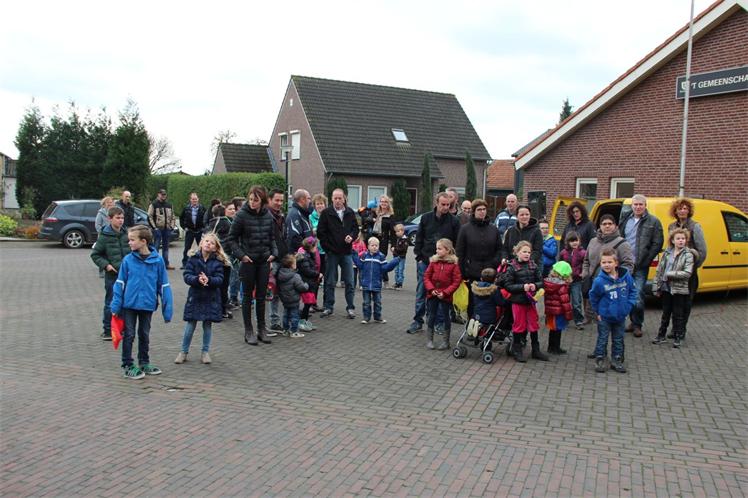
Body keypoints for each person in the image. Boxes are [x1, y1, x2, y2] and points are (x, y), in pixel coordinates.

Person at [110, 225, 173, 379]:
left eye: (132, 240)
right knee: (129, 334)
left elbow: (164, 286)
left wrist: (167, 310)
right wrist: (115, 305)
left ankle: (144, 362)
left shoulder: (158, 261)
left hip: (147, 305)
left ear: (143, 241)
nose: (129, 243)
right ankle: (127, 364)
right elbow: (120, 284)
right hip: (129, 305)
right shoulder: (127, 260)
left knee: (144, 334)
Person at [227, 185, 278, 346]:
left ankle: (261, 329)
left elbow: (272, 237)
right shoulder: (241, 215)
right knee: (247, 296)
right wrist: (241, 255)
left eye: (255, 200)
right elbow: (231, 239)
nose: (252, 203)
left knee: (262, 296)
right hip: (248, 261)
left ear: (262, 201)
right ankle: (248, 330)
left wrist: (274, 253)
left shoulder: (268, 215)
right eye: (250, 199)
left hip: (264, 261)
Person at [407, 192, 461, 334]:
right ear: (436, 203)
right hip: (425, 261)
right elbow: (419, 238)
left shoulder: (454, 221)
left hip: (445, 264)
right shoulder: (426, 218)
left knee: (442, 293)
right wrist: (419, 257)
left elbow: (457, 243)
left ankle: (439, 322)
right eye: (443, 204)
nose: (445, 207)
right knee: (421, 291)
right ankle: (418, 321)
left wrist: (453, 260)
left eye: (448, 205)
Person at [174, 234, 226, 365]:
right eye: (206, 241)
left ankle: (205, 352)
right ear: (201, 243)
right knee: (190, 325)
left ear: (215, 248)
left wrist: (209, 280)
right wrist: (197, 279)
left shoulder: (217, 262)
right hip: (195, 296)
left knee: (207, 325)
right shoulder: (193, 259)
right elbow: (187, 275)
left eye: (212, 243)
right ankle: (183, 351)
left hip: (211, 297)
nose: (208, 244)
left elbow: (220, 279)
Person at [619, 194, 664, 337]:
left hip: (641, 265)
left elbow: (658, 243)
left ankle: (638, 324)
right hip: (625, 264)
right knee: (626, 294)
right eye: (635, 204)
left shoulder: (653, 221)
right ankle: (632, 322)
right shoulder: (625, 219)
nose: (638, 207)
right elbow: (619, 238)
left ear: (645, 206)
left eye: (641, 204)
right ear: (632, 205)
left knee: (638, 295)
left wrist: (647, 260)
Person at [589, 249, 637, 374]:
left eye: (609, 262)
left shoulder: (626, 276)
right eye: (603, 262)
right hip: (605, 316)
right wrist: (597, 312)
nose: (606, 265)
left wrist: (628, 306)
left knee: (618, 339)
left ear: (616, 263)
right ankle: (600, 358)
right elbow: (593, 297)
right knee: (603, 338)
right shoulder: (599, 281)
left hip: (620, 316)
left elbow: (633, 291)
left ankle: (617, 359)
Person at [667, 197, 707, 339]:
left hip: (689, 273)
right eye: (680, 208)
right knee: (674, 300)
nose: (682, 211)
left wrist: (692, 266)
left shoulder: (695, 226)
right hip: (674, 270)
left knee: (686, 302)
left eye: (685, 208)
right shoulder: (672, 227)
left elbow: (702, 251)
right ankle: (674, 328)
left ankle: (681, 329)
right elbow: (670, 247)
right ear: (675, 211)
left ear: (689, 211)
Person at [316, 188, 359, 319]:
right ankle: (329, 307)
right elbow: (321, 233)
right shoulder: (326, 213)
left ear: (344, 199)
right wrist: (328, 248)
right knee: (330, 281)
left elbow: (355, 229)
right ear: (332, 199)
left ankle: (350, 307)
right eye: (335, 198)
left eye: (340, 198)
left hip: (346, 253)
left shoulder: (350, 212)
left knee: (350, 281)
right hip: (332, 253)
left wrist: (352, 236)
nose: (338, 201)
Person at [456, 198, 502, 318]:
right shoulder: (465, 229)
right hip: (472, 273)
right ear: (474, 211)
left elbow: (499, 249)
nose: (482, 212)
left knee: (489, 303)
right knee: (472, 304)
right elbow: (460, 252)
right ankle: (471, 325)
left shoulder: (493, 230)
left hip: (490, 273)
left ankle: (487, 326)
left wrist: (494, 263)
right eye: (479, 209)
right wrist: (462, 272)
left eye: (484, 209)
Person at [90, 206, 130, 340]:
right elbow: (95, 255)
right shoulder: (104, 236)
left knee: (125, 303)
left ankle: (123, 329)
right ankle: (108, 330)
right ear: (110, 219)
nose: (121, 220)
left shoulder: (126, 234)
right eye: (118, 218)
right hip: (112, 275)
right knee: (111, 303)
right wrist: (106, 265)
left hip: (127, 275)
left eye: (122, 218)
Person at [504, 240, 547, 363]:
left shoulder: (534, 265)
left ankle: (536, 350)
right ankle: (517, 350)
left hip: (531, 301)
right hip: (518, 302)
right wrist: (522, 287)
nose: (527, 254)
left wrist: (535, 285)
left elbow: (541, 281)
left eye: (529, 252)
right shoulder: (512, 267)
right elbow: (508, 285)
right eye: (524, 252)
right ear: (517, 252)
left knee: (533, 325)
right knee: (519, 326)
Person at [652, 228, 695, 348]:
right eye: (678, 238)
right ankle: (661, 335)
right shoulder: (667, 253)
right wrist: (656, 286)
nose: (681, 241)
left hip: (679, 289)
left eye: (683, 238)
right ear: (672, 240)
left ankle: (678, 337)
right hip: (666, 287)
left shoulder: (688, 255)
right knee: (665, 313)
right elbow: (659, 271)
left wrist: (670, 274)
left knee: (678, 314)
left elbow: (687, 273)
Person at [423, 238, 462, 350]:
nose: (437, 251)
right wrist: (431, 289)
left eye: (439, 249)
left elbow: (456, 281)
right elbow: (426, 277)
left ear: (447, 250)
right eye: (437, 249)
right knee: (432, 315)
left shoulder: (454, 265)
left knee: (446, 317)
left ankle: (446, 341)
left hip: (445, 296)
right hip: (433, 294)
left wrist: (445, 293)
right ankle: (430, 340)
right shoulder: (433, 262)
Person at [352, 237, 400, 324]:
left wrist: (394, 262)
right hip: (366, 284)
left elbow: (385, 268)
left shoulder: (381, 257)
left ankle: (378, 317)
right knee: (366, 303)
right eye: (372, 245)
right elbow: (359, 265)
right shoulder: (364, 256)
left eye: (376, 245)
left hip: (376, 284)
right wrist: (354, 254)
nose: (374, 247)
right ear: (368, 246)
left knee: (377, 302)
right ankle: (366, 317)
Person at [206, 204, 234, 318]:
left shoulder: (210, 225)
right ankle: (223, 309)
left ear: (213, 214)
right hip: (225, 258)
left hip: (212, 258)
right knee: (224, 285)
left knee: (213, 283)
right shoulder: (229, 224)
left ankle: (212, 308)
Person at [267, 189, 289, 334]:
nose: (279, 203)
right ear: (269, 200)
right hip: (271, 259)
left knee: (277, 292)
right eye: (277, 200)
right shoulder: (266, 216)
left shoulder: (281, 216)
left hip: (282, 259)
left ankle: (275, 322)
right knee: (267, 292)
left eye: (281, 200)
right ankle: (263, 325)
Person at [275, 254, 309, 338]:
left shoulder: (279, 274)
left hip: (284, 299)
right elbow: (301, 287)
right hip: (294, 299)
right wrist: (306, 285)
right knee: (295, 315)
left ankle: (285, 330)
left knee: (286, 314)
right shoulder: (295, 276)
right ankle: (294, 331)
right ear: (292, 265)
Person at [544, 261, 573, 355]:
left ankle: (551, 347)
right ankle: (556, 348)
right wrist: (568, 314)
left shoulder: (548, 282)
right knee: (558, 330)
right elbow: (565, 301)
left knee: (552, 329)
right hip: (559, 311)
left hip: (550, 310)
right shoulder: (562, 286)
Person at [559, 232, 587, 329]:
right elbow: (560, 264)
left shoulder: (583, 253)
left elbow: (586, 264)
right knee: (565, 301)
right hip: (565, 281)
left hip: (576, 280)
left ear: (579, 241)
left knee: (576, 302)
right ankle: (564, 319)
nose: (574, 243)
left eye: (576, 240)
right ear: (567, 242)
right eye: (572, 241)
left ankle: (579, 320)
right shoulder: (563, 252)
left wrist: (582, 273)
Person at [296, 236, 322, 332]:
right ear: (311, 247)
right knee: (307, 303)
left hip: (310, 283)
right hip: (306, 283)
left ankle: (305, 320)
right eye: (315, 246)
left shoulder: (309, 256)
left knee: (309, 302)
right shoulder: (304, 258)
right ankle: (302, 321)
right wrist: (317, 274)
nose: (316, 248)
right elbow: (307, 271)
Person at [371, 195, 397, 287]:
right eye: (382, 201)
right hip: (374, 239)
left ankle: (385, 280)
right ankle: (375, 280)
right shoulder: (376, 213)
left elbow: (393, 232)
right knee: (373, 260)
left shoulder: (390, 216)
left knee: (381, 259)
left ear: (388, 204)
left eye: (385, 202)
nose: (383, 203)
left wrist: (393, 245)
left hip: (383, 240)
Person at [147, 189, 176, 270]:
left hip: (167, 229)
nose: (163, 196)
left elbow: (173, 216)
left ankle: (166, 264)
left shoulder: (169, 205)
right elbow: (149, 217)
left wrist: (171, 227)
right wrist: (154, 228)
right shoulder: (154, 204)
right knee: (156, 247)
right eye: (162, 194)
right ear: (158, 194)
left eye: (164, 194)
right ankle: (154, 264)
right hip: (157, 229)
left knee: (166, 248)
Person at [310, 193, 328, 311]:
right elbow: (310, 232)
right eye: (318, 204)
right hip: (315, 251)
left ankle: (326, 304)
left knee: (326, 278)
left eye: (322, 203)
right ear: (314, 205)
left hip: (326, 251)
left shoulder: (328, 216)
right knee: (315, 278)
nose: (320, 206)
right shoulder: (311, 217)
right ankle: (312, 303)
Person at [179, 193, 207, 269]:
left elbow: (206, 218)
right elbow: (181, 218)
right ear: (190, 200)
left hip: (200, 230)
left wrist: (204, 228)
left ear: (198, 199)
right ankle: (185, 264)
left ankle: (204, 262)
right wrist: (184, 227)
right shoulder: (186, 208)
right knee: (187, 248)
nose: (194, 200)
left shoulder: (203, 208)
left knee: (202, 247)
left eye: (195, 199)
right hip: (190, 231)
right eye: (193, 199)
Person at [286, 189, 313, 254]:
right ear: (302, 199)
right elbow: (295, 238)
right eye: (309, 198)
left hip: (306, 253)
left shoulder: (303, 214)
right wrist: (306, 251)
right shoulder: (294, 214)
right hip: (299, 255)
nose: (310, 201)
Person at [95, 196, 115, 278]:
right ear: (104, 204)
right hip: (103, 236)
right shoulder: (101, 213)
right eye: (108, 202)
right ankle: (101, 270)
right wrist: (103, 233)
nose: (110, 204)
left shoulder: (114, 212)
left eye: (111, 202)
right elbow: (97, 225)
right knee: (102, 254)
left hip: (113, 236)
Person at [391, 224, 409, 290]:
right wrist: (393, 250)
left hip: (401, 257)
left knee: (400, 270)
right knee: (396, 270)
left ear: (402, 231)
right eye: (396, 232)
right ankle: (397, 282)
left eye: (398, 231)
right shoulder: (398, 239)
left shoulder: (405, 240)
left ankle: (400, 284)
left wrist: (395, 249)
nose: (397, 233)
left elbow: (403, 249)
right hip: (396, 257)